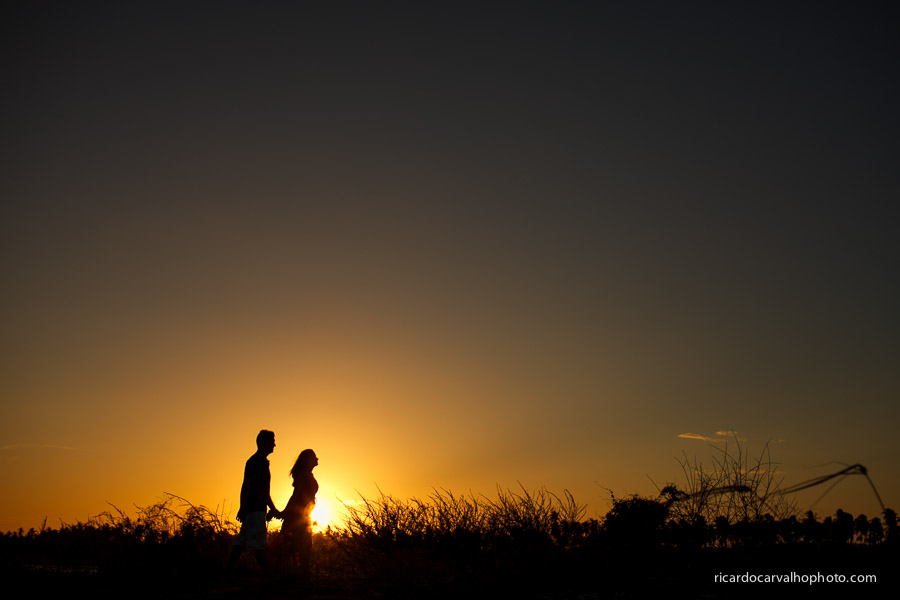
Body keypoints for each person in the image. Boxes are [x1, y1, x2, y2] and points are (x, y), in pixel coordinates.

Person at [226, 429, 282, 577]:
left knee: (241, 542)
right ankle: (269, 576)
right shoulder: (256, 462)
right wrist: (243, 507)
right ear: (263, 443)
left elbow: (263, 491)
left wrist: (272, 508)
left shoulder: (260, 462)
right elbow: (247, 485)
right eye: (272, 441)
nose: (274, 445)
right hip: (255, 510)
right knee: (259, 546)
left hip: (255, 509)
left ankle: (227, 574)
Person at [272, 449, 318, 578]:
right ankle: (299, 573)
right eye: (314, 457)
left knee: (300, 544)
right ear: (308, 460)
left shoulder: (308, 474)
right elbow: (296, 495)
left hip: (305, 515)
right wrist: (285, 512)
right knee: (297, 544)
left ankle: (301, 573)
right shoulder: (303, 475)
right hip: (298, 515)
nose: (317, 459)